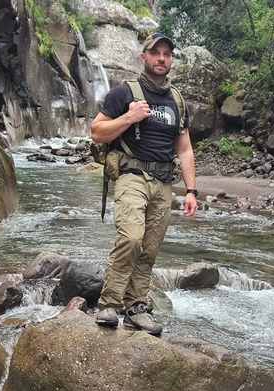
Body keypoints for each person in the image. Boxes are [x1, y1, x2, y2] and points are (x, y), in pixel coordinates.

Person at [90, 33, 198, 335]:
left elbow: (185, 149)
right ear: (143, 57)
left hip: (164, 183)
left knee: (149, 249)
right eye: (155, 53)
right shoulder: (124, 93)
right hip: (131, 177)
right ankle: (109, 304)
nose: (161, 58)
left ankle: (136, 307)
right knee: (132, 238)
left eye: (166, 54)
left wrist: (191, 190)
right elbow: (97, 132)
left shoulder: (177, 99)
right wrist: (128, 117)